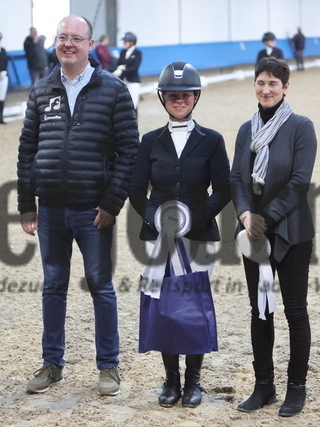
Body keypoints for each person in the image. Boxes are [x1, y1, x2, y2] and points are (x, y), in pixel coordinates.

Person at [17, 15, 139, 396]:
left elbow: (129, 152)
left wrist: (112, 203)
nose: (67, 44)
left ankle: (109, 366)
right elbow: (26, 150)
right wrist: (27, 203)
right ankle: (52, 364)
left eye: (75, 38)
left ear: (90, 44)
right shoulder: (41, 90)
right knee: (53, 287)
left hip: (93, 212)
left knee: (101, 287)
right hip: (51, 209)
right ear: (55, 42)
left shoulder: (113, 90)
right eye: (62, 37)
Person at [129, 61, 231, 408]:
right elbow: (135, 190)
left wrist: (193, 217)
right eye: (172, 95)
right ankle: (171, 379)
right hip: (158, 237)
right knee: (164, 307)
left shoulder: (212, 140)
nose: (179, 99)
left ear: (195, 97)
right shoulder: (149, 141)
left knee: (193, 306)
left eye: (185, 94)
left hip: (199, 236)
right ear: (163, 98)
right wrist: (155, 218)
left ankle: (193, 380)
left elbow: (223, 188)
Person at [230, 57, 316, 417]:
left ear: (285, 87)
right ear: (254, 85)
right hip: (254, 235)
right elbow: (237, 178)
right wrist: (245, 215)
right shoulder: (245, 130)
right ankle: (264, 385)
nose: (266, 90)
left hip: (291, 234)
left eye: (273, 84)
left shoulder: (300, 127)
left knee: (295, 311)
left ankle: (296, 388)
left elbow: (299, 182)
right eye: (261, 83)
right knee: (261, 310)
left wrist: (265, 219)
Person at [113, 31, 142, 110]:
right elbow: (119, 63)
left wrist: (123, 70)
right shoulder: (123, 52)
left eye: (125, 42)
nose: (124, 43)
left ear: (132, 42)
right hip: (123, 81)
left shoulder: (137, 53)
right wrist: (119, 68)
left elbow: (135, 67)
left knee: (133, 103)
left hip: (133, 81)